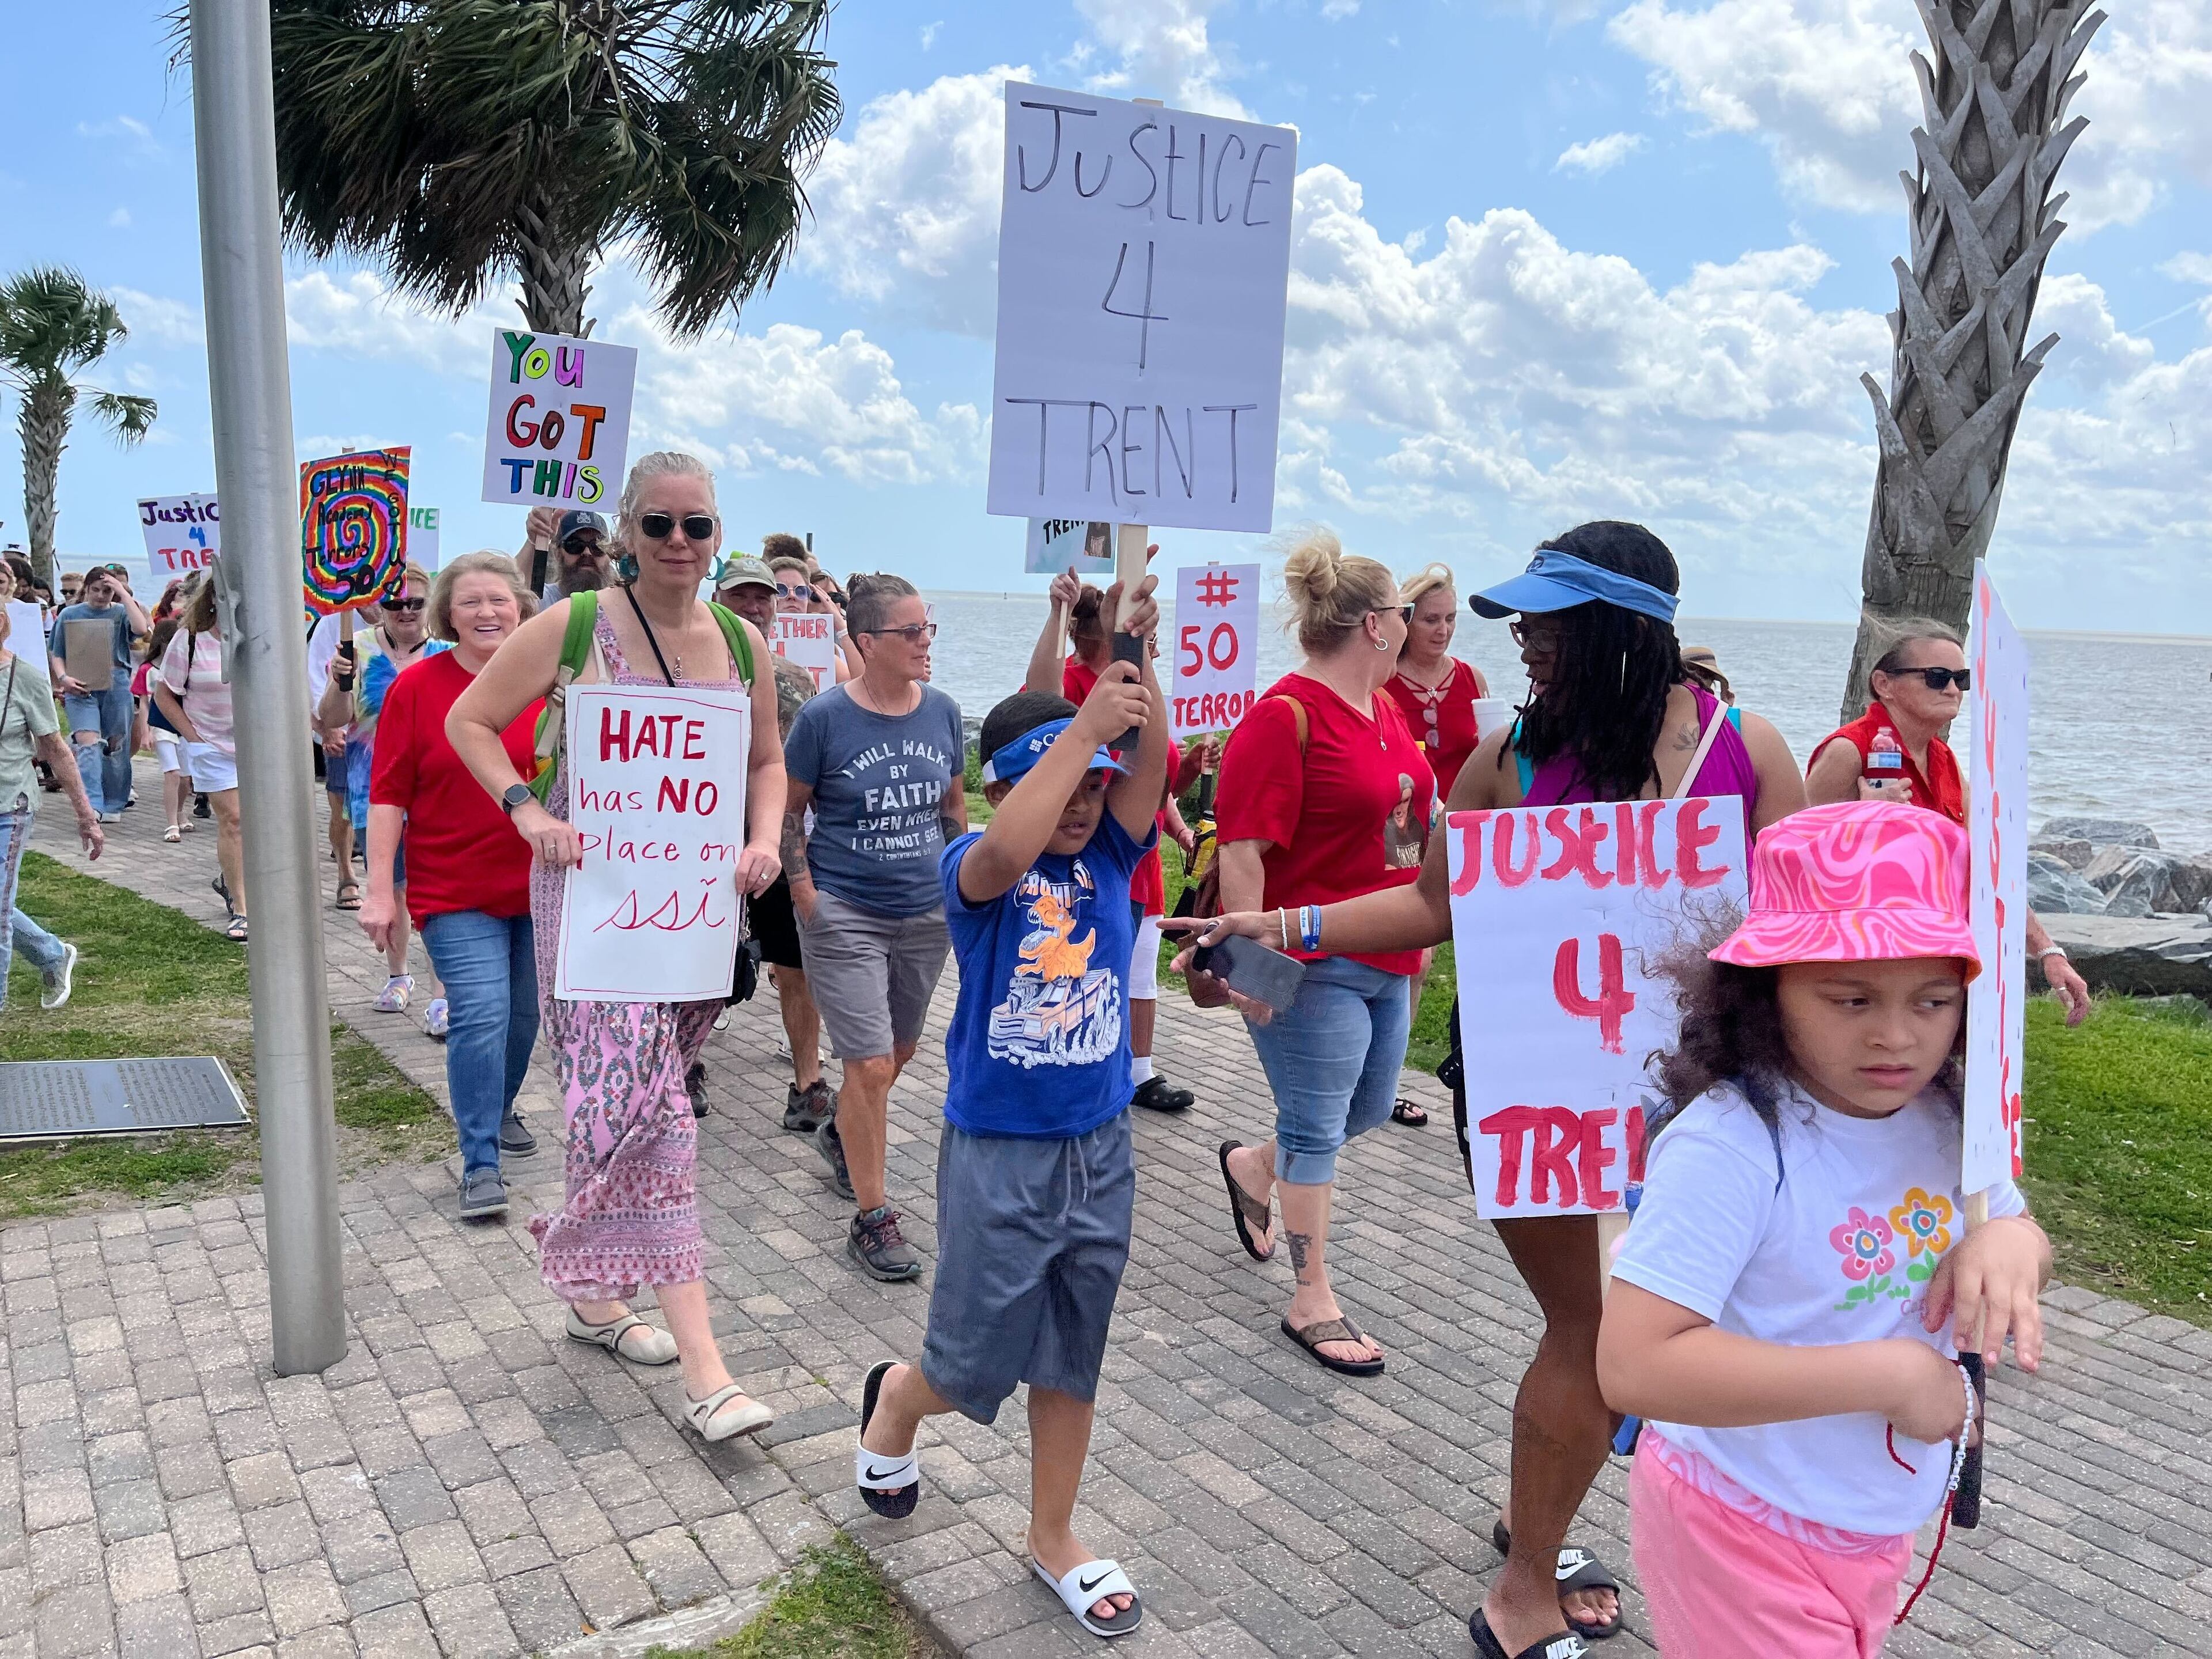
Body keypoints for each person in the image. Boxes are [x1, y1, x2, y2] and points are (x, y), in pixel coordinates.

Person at [1176, 522, 1808, 1650]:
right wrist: (1271, 926)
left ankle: (1542, 1509)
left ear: (1621, 630)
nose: (1522, 637)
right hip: (1536, 1089)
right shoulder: (1507, 758)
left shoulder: (1746, 751)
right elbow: (1429, 905)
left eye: (1548, 620)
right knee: (1597, 1331)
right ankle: (1523, 1588)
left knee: (1653, 1335)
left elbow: (1809, 927)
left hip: (1697, 1107)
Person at [1598, 801, 2051, 1659]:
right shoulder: (1734, 1145)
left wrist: (2011, 1245)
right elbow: (1635, 1363)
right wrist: (1885, 1377)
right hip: (1739, 1519)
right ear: (1768, 993)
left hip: (1867, 1520)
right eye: (1852, 999)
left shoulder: (1950, 1120)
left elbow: (2017, 1224)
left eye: (1934, 1000)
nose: (1896, 1035)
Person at [449, 450, 786, 1442]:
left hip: (690, 909)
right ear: (628, 533)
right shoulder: (577, 625)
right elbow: (474, 722)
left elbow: (764, 761)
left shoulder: (741, 642)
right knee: (660, 1118)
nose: (679, 544)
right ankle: (708, 1374)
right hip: (590, 899)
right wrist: (523, 810)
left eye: (698, 527)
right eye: (659, 526)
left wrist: (762, 839)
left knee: (621, 1107)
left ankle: (595, 1296)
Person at [855, 610, 1165, 1641]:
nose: (1083, 800)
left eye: (1094, 783)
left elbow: (1146, 766)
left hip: (1100, 1148)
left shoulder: (1114, 859)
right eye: (1063, 781)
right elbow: (1001, 852)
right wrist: (1079, 730)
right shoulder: (975, 875)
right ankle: (900, 1401)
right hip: (998, 1154)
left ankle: (1053, 1535)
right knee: (973, 1361)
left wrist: (1137, 660)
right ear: (1003, 785)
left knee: (1072, 1350)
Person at [1192, 531, 1435, 1380]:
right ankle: (1312, 1297)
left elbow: (1402, 834)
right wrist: (1253, 973)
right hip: (1310, 963)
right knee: (1316, 1127)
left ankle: (1252, 1167)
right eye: (1405, 613)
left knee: (1361, 1111)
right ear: (1376, 625)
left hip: (1388, 954)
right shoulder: (1283, 715)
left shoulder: (1390, 710)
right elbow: (1244, 855)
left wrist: (1420, 927)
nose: (1415, 625)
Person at [782, 572, 965, 1282]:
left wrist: (958, 884)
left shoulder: (943, 712)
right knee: (869, 1066)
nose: (925, 643)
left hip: (925, 912)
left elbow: (953, 806)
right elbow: (791, 809)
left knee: (895, 1058)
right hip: (846, 911)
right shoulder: (826, 718)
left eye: (930, 629)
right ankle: (873, 1216)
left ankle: (844, 1131)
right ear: (867, 641)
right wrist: (805, 893)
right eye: (910, 632)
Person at [365, 552, 543, 1215]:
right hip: (453, 888)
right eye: (470, 602)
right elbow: (387, 796)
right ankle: (480, 1163)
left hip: (538, 885)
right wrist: (380, 890)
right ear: (447, 614)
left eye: (498, 600)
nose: (487, 613)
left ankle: (495, 1108)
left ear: (521, 607)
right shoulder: (416, 689)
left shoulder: (551, 684)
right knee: (482, 1015)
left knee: (524, 1021)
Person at [1806, 620, 2090, 1025]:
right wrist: (1857, 819)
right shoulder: (1848, 752)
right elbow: (1787, 860)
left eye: (1962, 678)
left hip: (1935, 965)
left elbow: (1988, 868)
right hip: (1862, 971)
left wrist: (2048, 951)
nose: (1953, 690)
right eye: (1937, 677)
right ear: (1884, 684)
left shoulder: (1946, 761)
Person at [713, 558, 837, 1131]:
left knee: (796, 967)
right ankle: (683, 1067)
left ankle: (807, 1083)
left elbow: (805, 764)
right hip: (701, 843)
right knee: (698, 963)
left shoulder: (794, 677)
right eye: (743, 597)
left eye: (764, 598)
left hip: (777, 840)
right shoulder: (684, 669)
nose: (755, 607)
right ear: (718, 599)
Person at [319, 566, 445, 1020]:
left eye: (416, 602)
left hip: (440, 794)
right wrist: (340, 678)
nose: (406, 611)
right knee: (392, 891)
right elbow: (332, 718)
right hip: (374, 791)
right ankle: (398, 975)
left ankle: (442, 994)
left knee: (436, 894)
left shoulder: (448, 651)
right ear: (380, 605)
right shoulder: (359, 648)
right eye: (395, 603)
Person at [0, 600, 102, 1010]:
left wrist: (86, 816)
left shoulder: (23, 679)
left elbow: (56, 750)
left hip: (10, 806)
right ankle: (51, 953)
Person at [154, 577, 249, 942]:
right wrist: (193, 738)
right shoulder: (189, 639)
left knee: (260, 825)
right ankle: (241, 906)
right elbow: (165, 694)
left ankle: (232, 878)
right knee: (234, 821)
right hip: (212, 745)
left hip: (259, 748)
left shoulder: (263, 641)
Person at [1384, 562, 1491, 798]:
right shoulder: (1382, 683)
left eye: (1450, 619)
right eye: (1431, 620)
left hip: (1467, 819)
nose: (1444, 630)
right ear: (1407, 621)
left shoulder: (1473, 679)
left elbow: (1492, 758)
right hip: (1406, 822)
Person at [48, 567, 146, 821]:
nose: (101, 596)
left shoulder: (121, 612)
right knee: (88, 745)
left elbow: (141, 628)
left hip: (115, 684)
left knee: (115, 747)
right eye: (96, 590)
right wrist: (63, 678)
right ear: (87, 589)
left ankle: (114, 803)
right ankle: (92, 804)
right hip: (81, 686)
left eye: (107, 591)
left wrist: (122, 593)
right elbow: (57, 652)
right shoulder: (70, 614)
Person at [140, 587, 195, 842]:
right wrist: (145, 731)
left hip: (184, 725)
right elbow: (144, 702)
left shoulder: (190, 668)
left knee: (185, 777)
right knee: (172, 772)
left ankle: (181, 811)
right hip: (160, 724)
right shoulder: (148, 670)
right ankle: (171, 823)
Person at [766, 549, 854, 681]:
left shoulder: (825, 655)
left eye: (801, 591)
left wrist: (841, 626)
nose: (792, 596)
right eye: (781, 590)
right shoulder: (753, 638)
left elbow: (863, 686)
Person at [520, 506, 613, 605]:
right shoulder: (544, 600)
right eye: (574, 545)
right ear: (558, 554)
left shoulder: (623, 603)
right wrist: (534, 541)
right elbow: (515, 594)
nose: (587, 552)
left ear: (610, 555)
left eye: (597, 546)